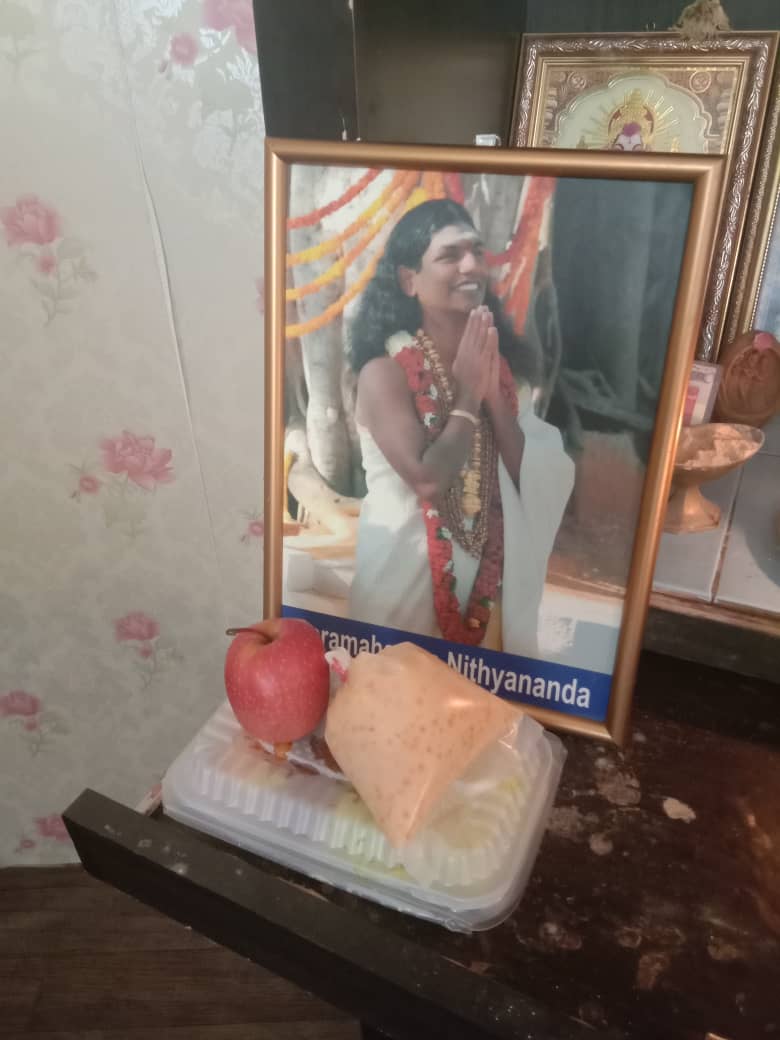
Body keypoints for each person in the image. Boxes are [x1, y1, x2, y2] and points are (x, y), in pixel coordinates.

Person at [346, 198, 574, 657]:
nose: (471, 265)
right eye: (449, 255)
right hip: (398, 603)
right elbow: (427, 479)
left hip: (486, 607)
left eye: (476, 251)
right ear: (409, 280)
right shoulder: (383, 374)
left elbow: (533, 475)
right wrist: (470, 396)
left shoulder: (503, 376)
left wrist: (492, 395)